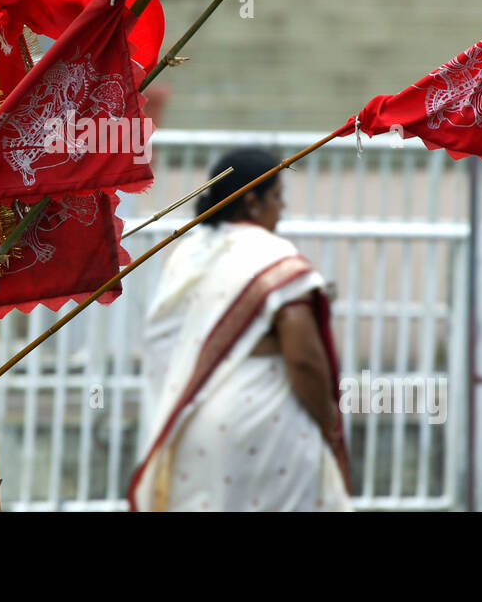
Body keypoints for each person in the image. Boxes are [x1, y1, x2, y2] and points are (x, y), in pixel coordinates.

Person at [129, 148, 351, 511]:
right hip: (262, 427)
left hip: (189, 427)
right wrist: (329, 423)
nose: (282, 209)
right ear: (252, 202)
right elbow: (304, 361)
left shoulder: (188, 254)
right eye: (278, 197)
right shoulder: (272, 256)